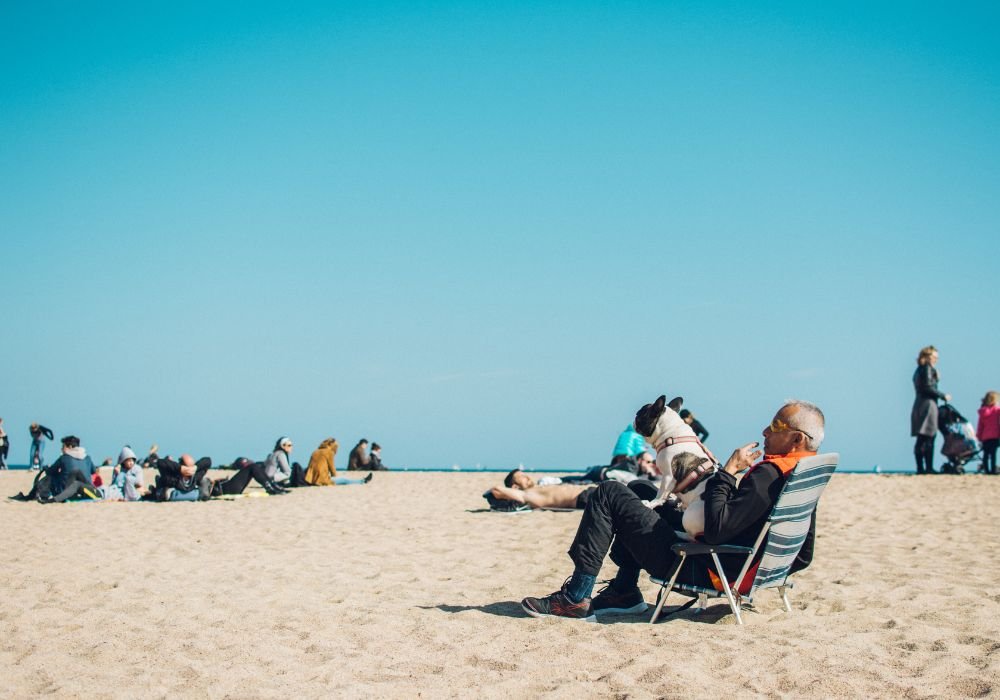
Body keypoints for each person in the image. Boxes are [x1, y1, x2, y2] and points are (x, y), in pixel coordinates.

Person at [520, 400, 825, 621]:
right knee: (640, 490)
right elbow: (804, 554)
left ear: (797, 438)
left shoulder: (767, 476)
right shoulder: (802, 472)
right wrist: (768, 569)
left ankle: (575, 597)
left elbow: (717, 528)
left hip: (704, 565)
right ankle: (625, 592)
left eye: (775, 427)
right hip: (735, 562)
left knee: (608, 493)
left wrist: (728, 472)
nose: (765, 431)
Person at [912, 345, 950, 474]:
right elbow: (928, 387)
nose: (936, 360)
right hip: (928, 405)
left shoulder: (919, 370)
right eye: (934, 357)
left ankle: (921, 467)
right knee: (928, 437)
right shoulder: (927, 369)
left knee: (922, 437)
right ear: (927, 357)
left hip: (919, 403)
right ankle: (927, 467)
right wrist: (943, 395)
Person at [488, 469, 597, 510]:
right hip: (585, 498)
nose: (527, 477)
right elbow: (495, 490)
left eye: (525, 474)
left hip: (591, 491)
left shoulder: (538, 487)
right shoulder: (527, 495)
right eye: (521, 477)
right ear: (515, 487)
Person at [47, 435, 102, 503]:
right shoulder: (87, 458)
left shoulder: (64, 458)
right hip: (86, 490)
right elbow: (93, 471)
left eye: (63, 447)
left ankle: (50, 495)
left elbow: (50, 472)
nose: (61, 449)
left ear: (70, 447)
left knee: (52, 476)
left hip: (67, 491)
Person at [212, 457, 289, 495]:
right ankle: (270, 487)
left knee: (255, 466)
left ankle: (272, 486)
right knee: (253, 467)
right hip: (224, 489)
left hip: (226, 487)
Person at [977, 391, 1000, 475]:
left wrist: (979, 436)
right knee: (993, 455)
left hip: (985, 437)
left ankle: (986, 470)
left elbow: (980, 426)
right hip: (995, 435)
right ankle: (993, 470)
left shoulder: (983, 412)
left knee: (985, 455)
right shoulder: (996, 410)